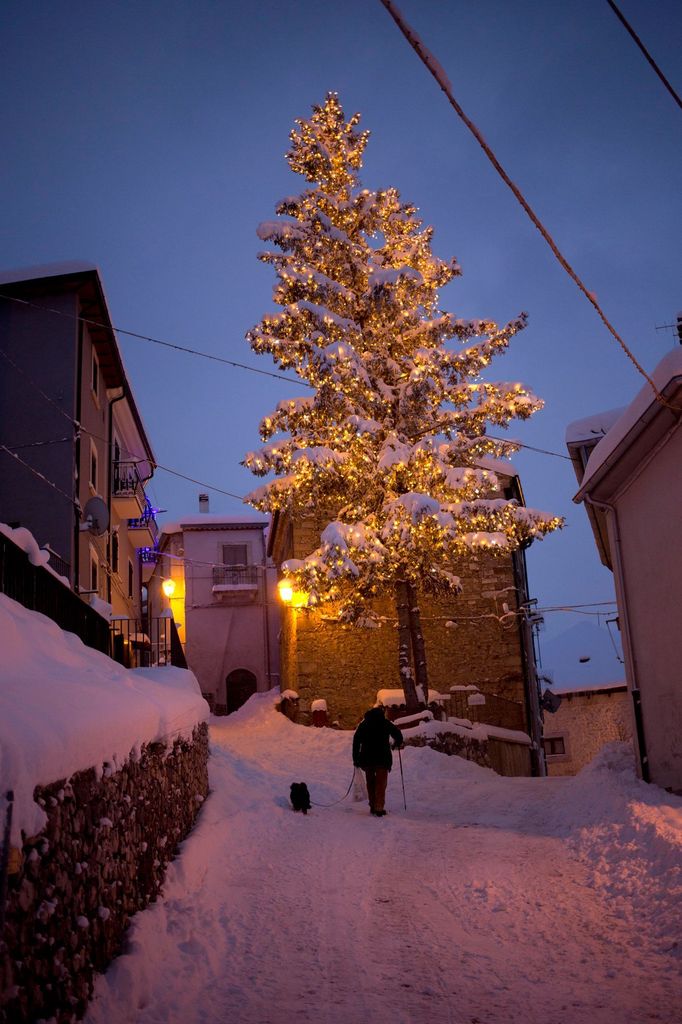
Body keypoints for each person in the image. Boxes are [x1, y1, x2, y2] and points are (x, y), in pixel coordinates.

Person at [352, 705, 404, 817]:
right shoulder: (385, 723)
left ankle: (372, 805)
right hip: (382, 758)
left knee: (370, 783)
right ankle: (379, 807)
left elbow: (356, 741)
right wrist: (397, 743)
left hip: (367, 759)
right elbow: (398, 734)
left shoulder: (364, 724)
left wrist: (355, 758)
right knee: (381, 784)